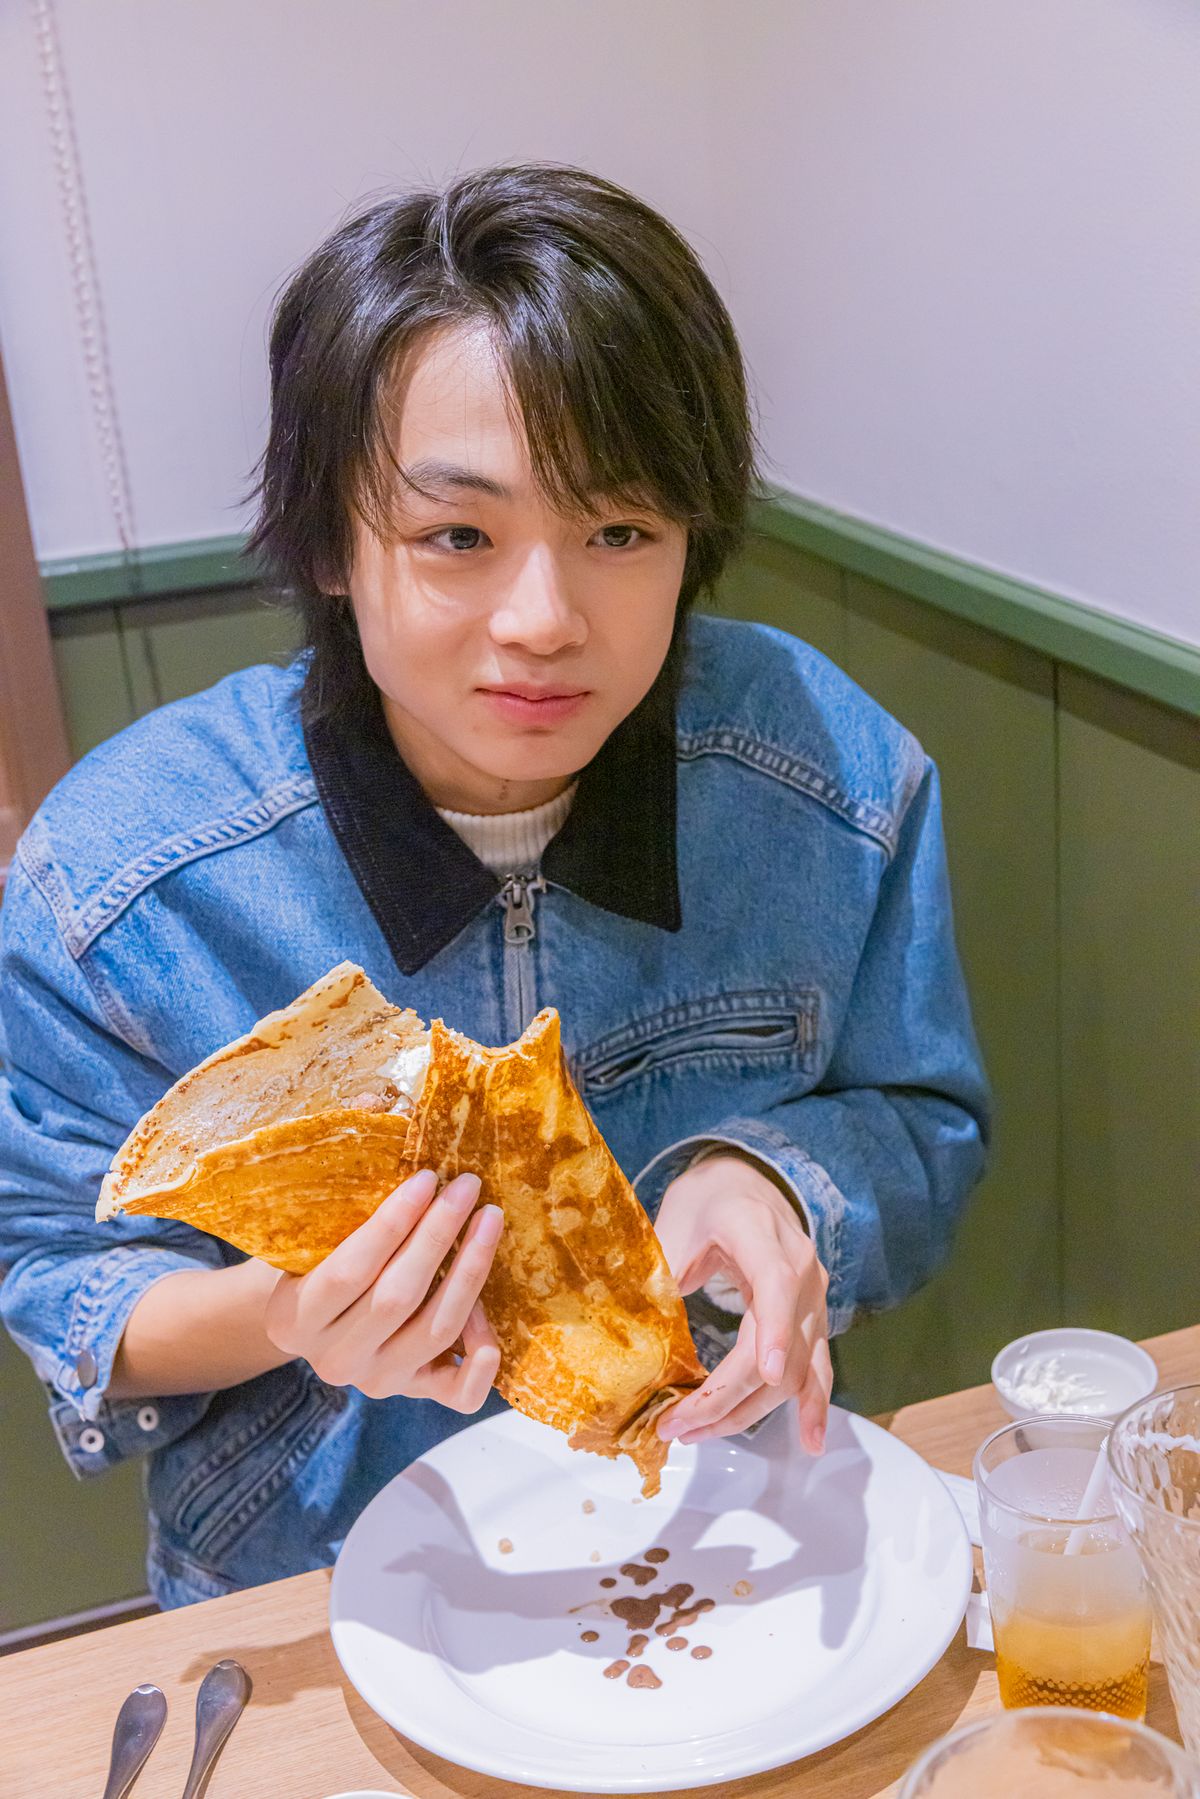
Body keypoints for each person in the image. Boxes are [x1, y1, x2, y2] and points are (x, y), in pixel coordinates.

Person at [0, 165, 989, 1608]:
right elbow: (63, 1278)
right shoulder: (124, 877)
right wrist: (293, 1312)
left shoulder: (827, 778)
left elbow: (922, 1119)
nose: (544, 620)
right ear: (332, 542)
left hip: (725, 1543)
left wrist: (773, 1174)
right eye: (458, 536)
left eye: (620, 532)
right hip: (305, 1588)